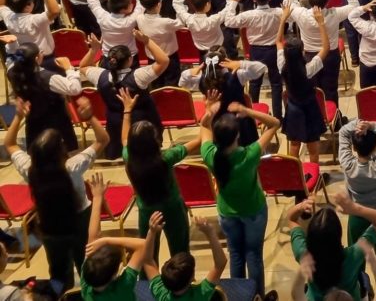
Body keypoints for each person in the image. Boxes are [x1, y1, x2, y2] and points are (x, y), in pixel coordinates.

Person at [3, 98, 109, 292]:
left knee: (58, 273)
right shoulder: (72, 166)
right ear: (61, 151)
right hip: (79, 220)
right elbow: (103, 140)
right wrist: (90, 117)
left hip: (49, 224)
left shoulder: (30, 169)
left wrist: (18, 118)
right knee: (87, 266)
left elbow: (9, 144)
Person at [200, 91, 281, 297]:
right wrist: (246, 110)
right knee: (253, 255)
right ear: (237, 136)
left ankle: (237, 295)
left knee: (236, 255)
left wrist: (209, 110)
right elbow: (274, 123)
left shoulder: (210, 155)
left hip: (227, 212)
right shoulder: (249, 154)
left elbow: (203, 127)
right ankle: (257, 296)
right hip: (253, 210)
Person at [120, 92, 200, 261]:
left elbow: (124, 140)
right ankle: (181, 281)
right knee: (180, 252)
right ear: (155, 142)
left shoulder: (129, 157)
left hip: (146, 211)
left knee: (147, 254)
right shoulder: (166, 158)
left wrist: (127, 111)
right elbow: (198, 141)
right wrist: (208, 120)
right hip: (173, 208)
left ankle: (148, 285)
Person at [338, 118, 376, 300]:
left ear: (354, 148)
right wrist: (371, 125)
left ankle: (360, 292)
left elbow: (342, 132)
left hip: (357, 215)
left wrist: (357, 123)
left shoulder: (348, 165)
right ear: (375, 147)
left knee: (356, 260)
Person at [287, 190, 376, 301]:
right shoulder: (354, 255)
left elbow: (291, 219)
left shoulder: (304, 255)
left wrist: (301, 206)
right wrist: (354, 209)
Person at [79, 173, 157, 301]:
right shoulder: (124, 286)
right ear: (114, 276)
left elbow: (93, 239)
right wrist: (107, 240)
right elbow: (143, 245)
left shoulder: (88, 286)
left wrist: (97, 198)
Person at [277, 4, 328, 164]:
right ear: (302, 51)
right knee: (313, 147)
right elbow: (326, 48)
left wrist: (283, 18)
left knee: (294, 144)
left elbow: (278, 41)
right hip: (309, 107)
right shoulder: (308, 69)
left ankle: (294, 178)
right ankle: (314, 176)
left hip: (293, 107)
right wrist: (321, 23)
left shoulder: (282, 65)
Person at [144, 214, 227, 301]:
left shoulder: (161, 294)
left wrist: (151, 232)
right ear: (192, 278)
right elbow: (220, 264)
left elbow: (148, 261)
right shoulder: (200, 293)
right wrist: (210, 232)